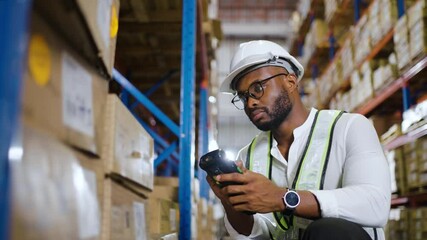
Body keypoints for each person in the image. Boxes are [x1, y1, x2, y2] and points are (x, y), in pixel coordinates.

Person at [206, 40, 391, 240]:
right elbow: (254, 235)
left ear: (290, 81)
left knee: (329, 230)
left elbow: (375, 204)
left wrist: (283, 198)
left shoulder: (348, 127)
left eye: (258, 88)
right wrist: (231, 203)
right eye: (242, 97)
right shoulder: (248, 156)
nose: (250, 102)